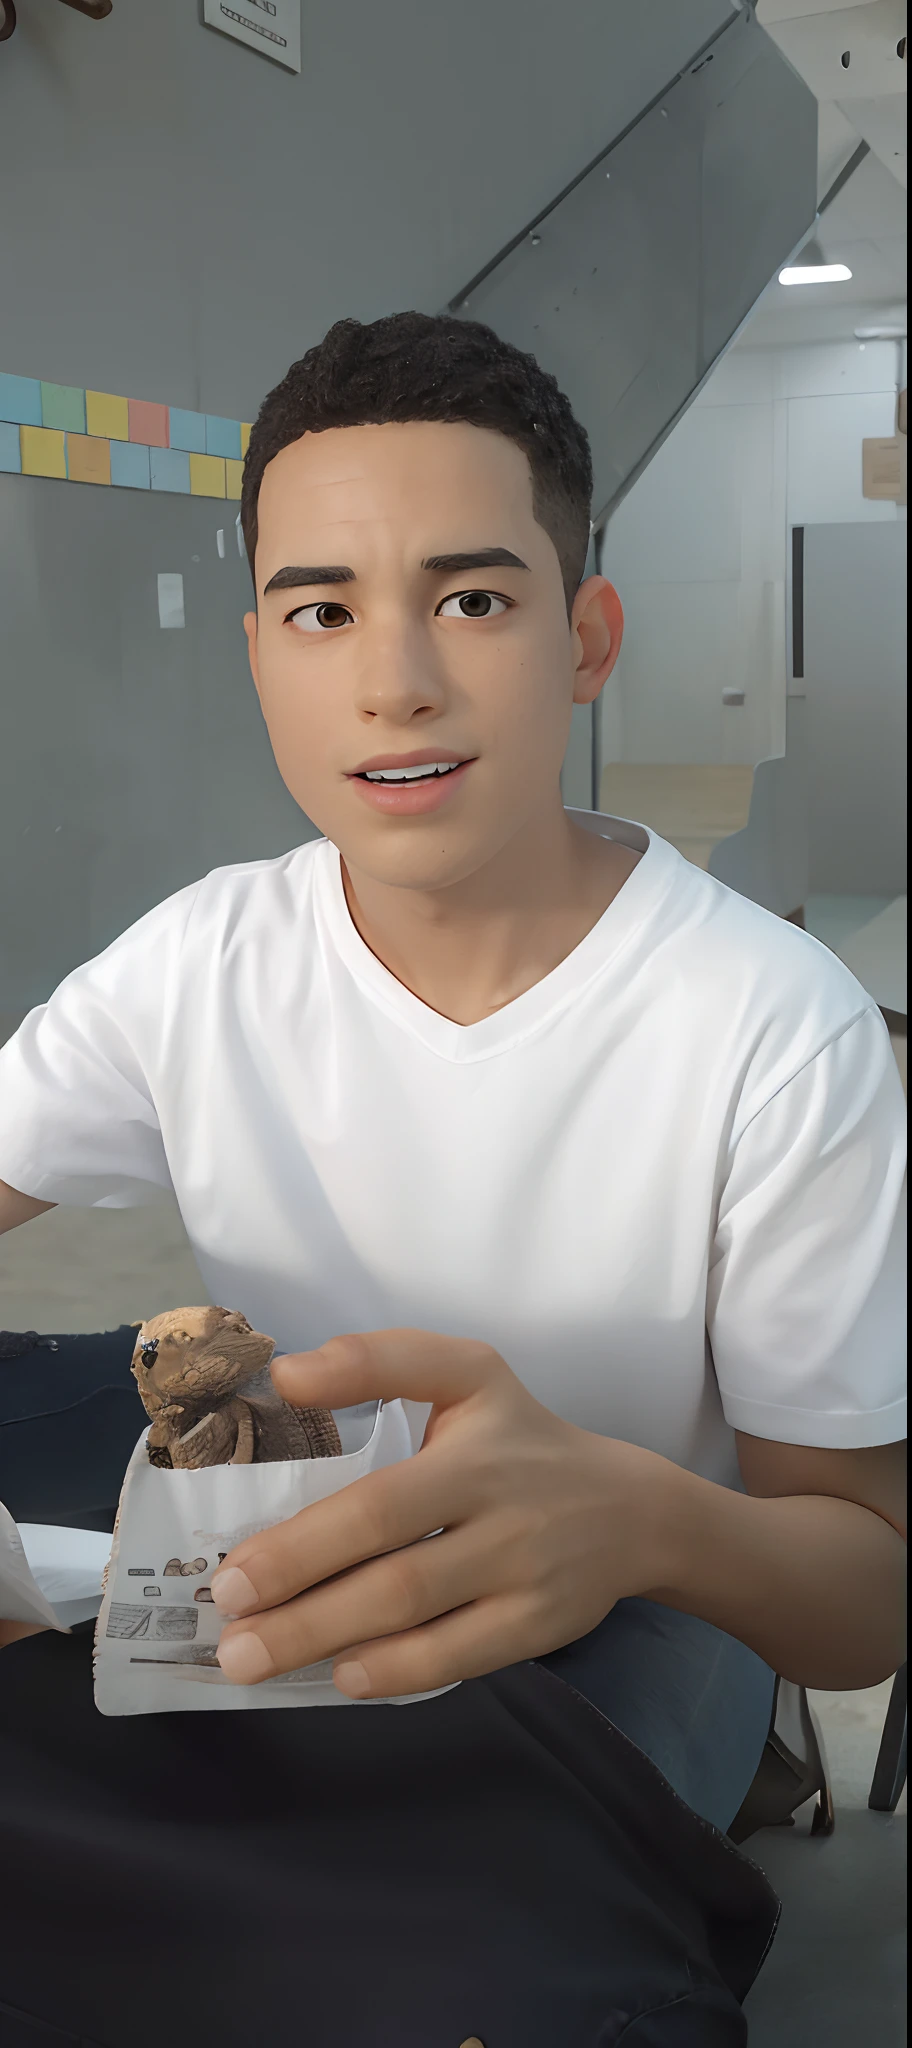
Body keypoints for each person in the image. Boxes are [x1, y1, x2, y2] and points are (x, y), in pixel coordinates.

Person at [0, 313, 905, 1852]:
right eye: (322, 613)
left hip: (644, 1604)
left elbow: (863, 1597)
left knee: (418, 1913)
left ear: (587, 640)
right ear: (259, 660)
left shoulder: (769, 1025)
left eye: (472, 598)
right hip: (308, 1520)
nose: (395, 684)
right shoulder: (202, 959)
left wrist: (632, 1514)